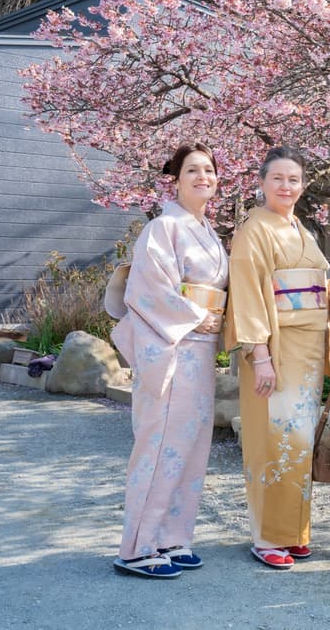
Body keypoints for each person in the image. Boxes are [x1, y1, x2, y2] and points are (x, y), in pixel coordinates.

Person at [111, 142, 229, 578]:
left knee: (191, 448)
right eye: (193, 171)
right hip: (172, 347)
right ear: (176, 180)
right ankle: (138, 547)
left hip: (200, 350)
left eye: (209, 170)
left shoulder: (208, 231)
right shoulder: (163, 228)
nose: (203, 177)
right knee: (160, 447)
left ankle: (172, 537)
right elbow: (148, 290)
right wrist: (197, 316)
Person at [227, 146, 330, 570]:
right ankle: (267, 535)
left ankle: (293, 533)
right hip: (274, 347)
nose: (286, 186)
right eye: (277, 179)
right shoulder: (254, 229)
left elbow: (318, 287)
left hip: (306, 349)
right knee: (271, 439)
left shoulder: (300, 228)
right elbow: (248, 291)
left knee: (298, 441)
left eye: (293, 179)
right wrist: (260, 355)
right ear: (262, 182)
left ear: (302, 186)